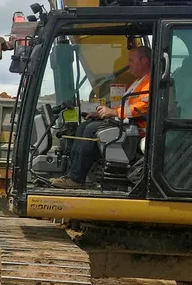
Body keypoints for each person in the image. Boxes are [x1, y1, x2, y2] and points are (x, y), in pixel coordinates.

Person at [51, 45, 152, 189]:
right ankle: (71, 174)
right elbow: (127, 106)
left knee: (91, 130)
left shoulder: (150, 81)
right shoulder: (140, 81)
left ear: (144, 61)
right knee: (84, 126)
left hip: (138, 129)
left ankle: (76, 179)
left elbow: (143, 107)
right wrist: (102, 114)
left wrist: (114, 113)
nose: (128, 64)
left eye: (131, 60)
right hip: (128, 123)